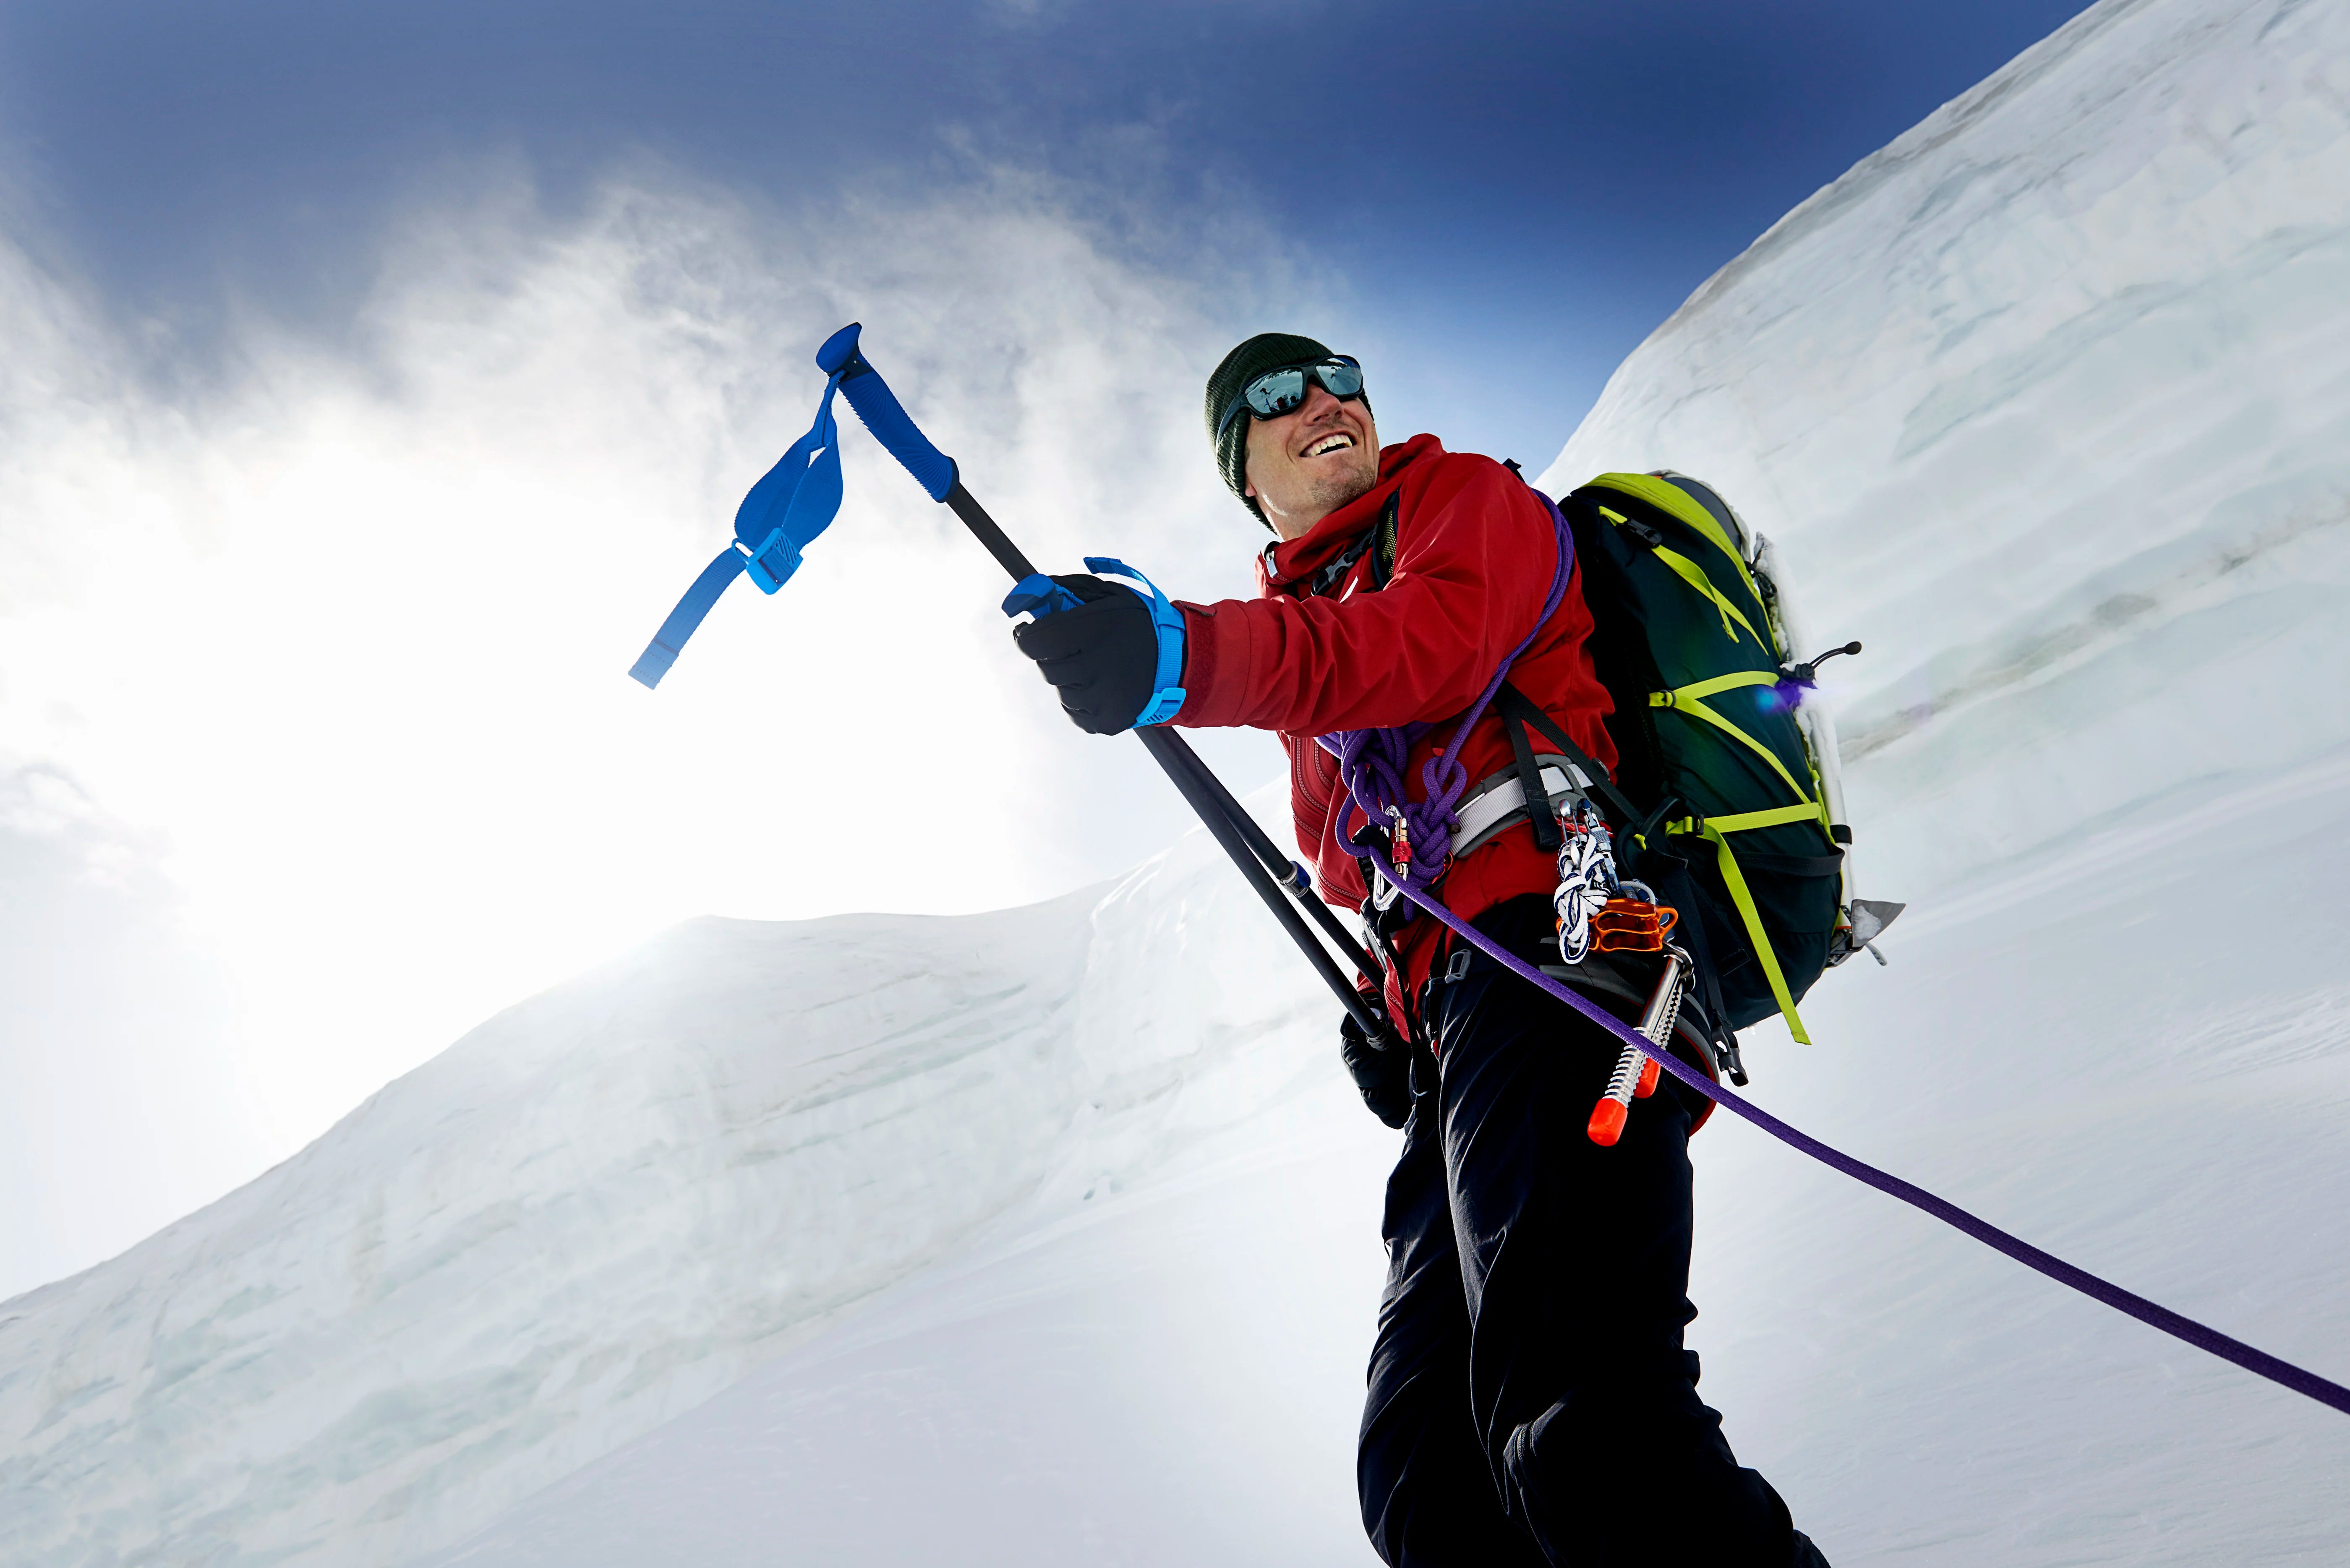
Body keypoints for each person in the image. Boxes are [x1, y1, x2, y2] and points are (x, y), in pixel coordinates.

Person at [1010, 333, 1828, 1568]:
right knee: (1427, 1483)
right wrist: (1385, 1012)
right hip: (1464, 1017)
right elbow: (1359, 865)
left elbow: (1421, 650)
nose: (1324, 402)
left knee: (1585, 1422)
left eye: (1341, 379)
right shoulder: (1313, 613)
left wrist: (1175, 655)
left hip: (1568, 950)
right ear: (1244, 466)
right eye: (1278, 398)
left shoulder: (1465, 504)